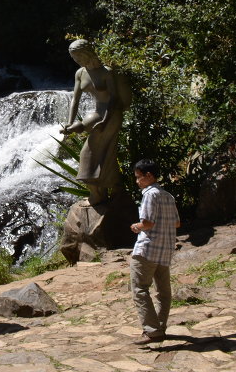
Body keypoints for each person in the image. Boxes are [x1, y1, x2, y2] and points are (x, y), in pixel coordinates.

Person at [62, 38, 131, 205]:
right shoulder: (80, 73)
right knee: (105, 154)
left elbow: (114, 98)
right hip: (96, 113)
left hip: (111, 114)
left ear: (87, 53)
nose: (77, 61)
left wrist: (106, 120)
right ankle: (114, 188)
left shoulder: (106, 72)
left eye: (78, 57)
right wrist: (70, 123)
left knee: (90, 153)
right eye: (74, 58)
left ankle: (98, 194)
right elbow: (75, 100)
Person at [129, 158, 181, 345]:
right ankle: (159, 327)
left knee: (140, 289)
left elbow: (147, 223)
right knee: (163, 292)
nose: (137, 181)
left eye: (138, 177)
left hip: (148, 249)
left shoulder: (150, 195)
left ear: (148, 176)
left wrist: (136, 226)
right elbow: (176, 223)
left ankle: (151, 331)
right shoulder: (168, 196)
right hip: (165, 250)